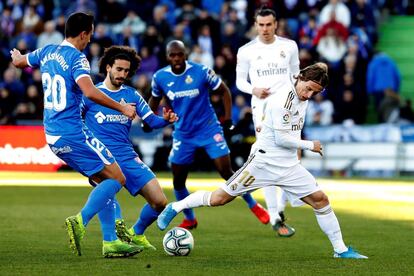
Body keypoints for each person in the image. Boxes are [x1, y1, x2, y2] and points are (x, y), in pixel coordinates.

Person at [157, 63, 368, 259]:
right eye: (309, 89)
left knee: (320, 200)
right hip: (263, 163)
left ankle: (340, 250)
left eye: (316, 92)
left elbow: (294, 126)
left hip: (288, 166)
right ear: (300, 78)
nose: (310, 95)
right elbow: (282, 139)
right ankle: (176, 207)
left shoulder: (301, 94)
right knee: (219, 199)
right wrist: (309, 145)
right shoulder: (282, 100)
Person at [10, 12, 140, 258]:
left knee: (105, 182)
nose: (90, 39)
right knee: (117, 179)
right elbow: (90, 92)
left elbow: (20, 63)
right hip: (73, 132)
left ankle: (111, 242)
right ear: (83, 33)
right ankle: (79, 220)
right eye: (90, 34)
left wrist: (17, 56)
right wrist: (122, 107)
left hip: (52, 134)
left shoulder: (46, 51)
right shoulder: (77, 59)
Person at [148, 40, 269, 229]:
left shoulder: (201, 71)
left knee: (226, 172)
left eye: (180, 54)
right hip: (183, 133)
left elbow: (225, 91)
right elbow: (154, 101)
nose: (177, 58)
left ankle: (254, 205)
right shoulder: (160, 77)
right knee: (178, 180)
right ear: (167, 56)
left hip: (209, 129)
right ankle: (189, 218)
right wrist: (149, 120)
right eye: (173, 55)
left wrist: (228, 119)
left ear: (186, 54)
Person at [81, 45, 177, 251]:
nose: (122, 74)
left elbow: (150, 120)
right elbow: (74, 120)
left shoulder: (132, 95)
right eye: (119, 69)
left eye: (126, 71)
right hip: (102, 159)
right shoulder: (91, 94)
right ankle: (112, 242)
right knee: (110, 203)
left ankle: (136, 232)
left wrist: (166, 120)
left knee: (159, 202)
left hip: (127, 156)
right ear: (108, 67)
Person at [236, 7, 299, 237]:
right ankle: (274, 214)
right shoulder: (246, 51)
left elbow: (296, 75)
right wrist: (254, 89)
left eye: (268, 24)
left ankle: (280, 209)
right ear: (255, 25)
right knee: (269, 157)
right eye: (260, 25)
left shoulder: (289, 46)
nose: (264, 29)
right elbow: (240, 81)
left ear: (276, 24)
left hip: (288, 108)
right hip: (262, 108)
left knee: (290, 157)